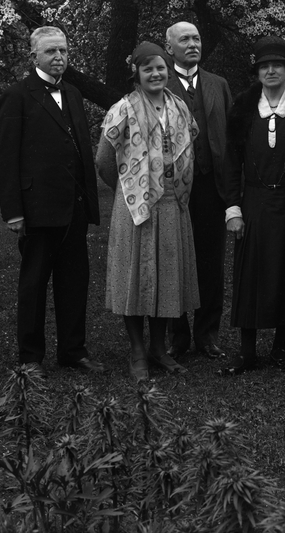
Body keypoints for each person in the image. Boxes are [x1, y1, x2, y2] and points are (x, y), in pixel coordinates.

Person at [0, 26, 104, 373]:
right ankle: (30, 357)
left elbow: (80, 148)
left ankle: (73, 350)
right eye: (51, 51)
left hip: (74, 207)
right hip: (37, 208)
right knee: (34, 284)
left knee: (75, 282)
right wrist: (13, 212)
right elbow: (4, 158)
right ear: (34, 57)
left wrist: (89, 202)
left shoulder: (73, 93)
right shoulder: (17, 95)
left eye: (64, 51)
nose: (59, 57)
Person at [96, 41, 200, 381]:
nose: (155, 74)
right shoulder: (123, 108)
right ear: (137, 74)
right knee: (135, 277)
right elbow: (104, 160)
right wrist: (128, 188)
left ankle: (158, 348)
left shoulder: (179, 107)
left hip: (172, 203)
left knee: (166, 276)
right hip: (135, 206)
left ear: (167, 70)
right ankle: (138, 350)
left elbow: (190, 146)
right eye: (147, 69)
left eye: (160, 68)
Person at [223, 36, 285, 374]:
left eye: (277, 65)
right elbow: (230, 161)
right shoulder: (243, 106)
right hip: (253, 200)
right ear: (257, 71)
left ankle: (280, 347)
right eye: (264, 66)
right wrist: (233, 209)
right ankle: (247, 351)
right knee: (249, 273)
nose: (270, 71)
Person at [163, 21, 238, 360]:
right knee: (174, 260)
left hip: (212, 187)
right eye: (184, 39)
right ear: (170, 48)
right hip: (174, 190)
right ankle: (177, 336)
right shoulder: (159, 83)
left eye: (196, 38)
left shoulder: (218, 84)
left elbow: (231, 138)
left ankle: (207, 334)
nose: (193, 44)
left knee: (211, 262)